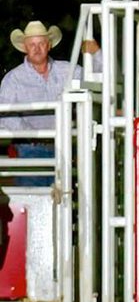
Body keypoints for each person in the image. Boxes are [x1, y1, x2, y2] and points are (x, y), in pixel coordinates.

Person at [0, 20, 101, 185]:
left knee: (68, 199)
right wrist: (35, 135)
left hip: (66, 147)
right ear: (25, 48)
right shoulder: (13, 79)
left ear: (49, 46)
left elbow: (97, 79)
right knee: (36, 201)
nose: (37, 48)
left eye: (41, 43)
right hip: (30, 149)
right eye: (32, 44)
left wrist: (96, 53)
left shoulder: (67, 71)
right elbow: (5, 115)